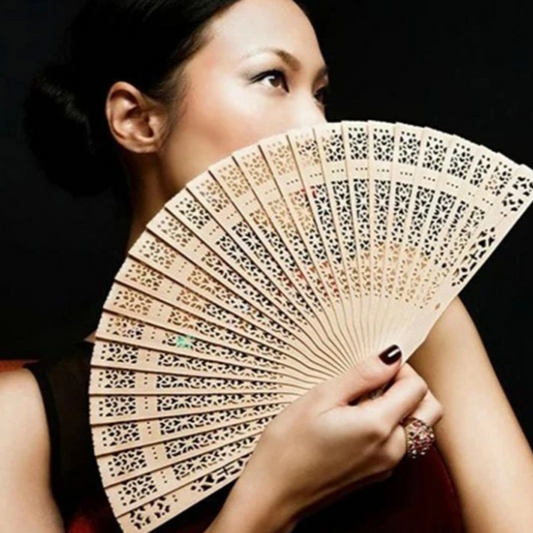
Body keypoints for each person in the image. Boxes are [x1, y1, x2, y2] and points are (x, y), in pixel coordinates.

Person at [1, 0, 533, 532]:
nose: (318, 127)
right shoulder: (26, 425)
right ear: (137, 119)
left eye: (320, 94)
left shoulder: (414, 312)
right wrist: (271, 503)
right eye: (272, 78)